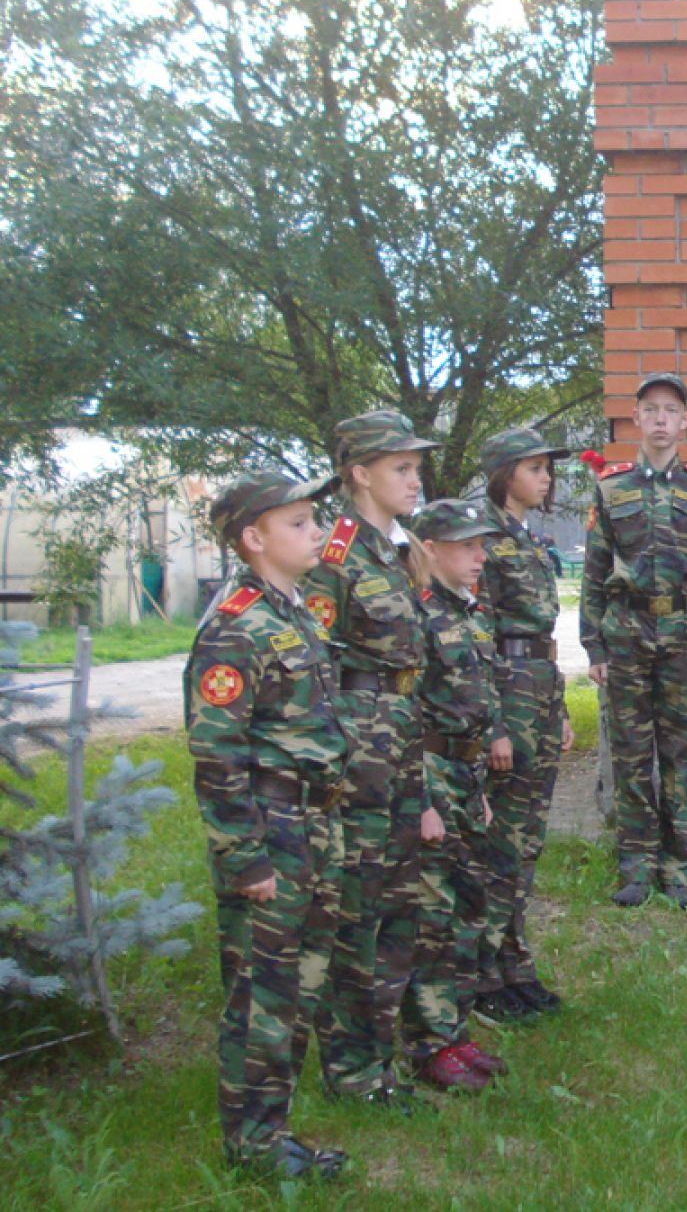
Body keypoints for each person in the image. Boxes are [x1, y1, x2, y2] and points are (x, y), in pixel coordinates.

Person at [185, 470, 349, 1180]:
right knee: (261, 992)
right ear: (253, 538)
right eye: (299, 523)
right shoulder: (235, 626)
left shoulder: (294, 613)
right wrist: (244, 857)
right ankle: (252, 1144)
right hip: (270, 827)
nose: (318, 533)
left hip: (314, 821)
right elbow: (216, 752)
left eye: (316, 519)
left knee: (300, 983)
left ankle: (273, 1130)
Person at [301, 410, 436, 1105]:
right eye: (401, 468)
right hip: (359, 752)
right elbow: (312, 667)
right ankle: (352, 1070)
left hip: (401, 742)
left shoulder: (393, 552)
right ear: (359, 473)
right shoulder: (334, 557)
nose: (415, 480)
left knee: (398, 902)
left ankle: (382, 1052)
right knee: (357, 905)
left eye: (416, 468)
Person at [580, 374, 687, 909]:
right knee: (629, 756)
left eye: (671, 410)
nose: (661, 419)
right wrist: (594, 648)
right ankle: (636, 868)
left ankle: (679, 870)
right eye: (651, 409)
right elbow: (594, 572)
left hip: (683, 637)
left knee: (679, 756)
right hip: (626, 633)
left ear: (685, 421)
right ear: (636, 418)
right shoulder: (611, 489)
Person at [401, 498, 509, 1089]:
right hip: (432, 771)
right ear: (430, 549)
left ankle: (454, 1028)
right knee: (433, 914)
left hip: (466, 776)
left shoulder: (470, 612)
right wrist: (420, 800)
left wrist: (480, 786)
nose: (480, 556)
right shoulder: (415, 615)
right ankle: (427, 1042)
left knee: (469, 906)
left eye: (481, 545)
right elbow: (403, 713)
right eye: (467, 546)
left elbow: (479, 701)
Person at [473, 426, 573, 1021]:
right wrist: (492, 725)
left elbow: (542, 637)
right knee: (502, 840)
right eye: (534, 468)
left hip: (537, 688)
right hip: (506, 693)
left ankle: (514, 963)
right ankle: (482, 974)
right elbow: (476, 636)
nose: (546, 478)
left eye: (546, 468)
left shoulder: (527, 537)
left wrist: (558, 710)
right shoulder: (481, 538)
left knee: (528, 837)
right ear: (504, 472)